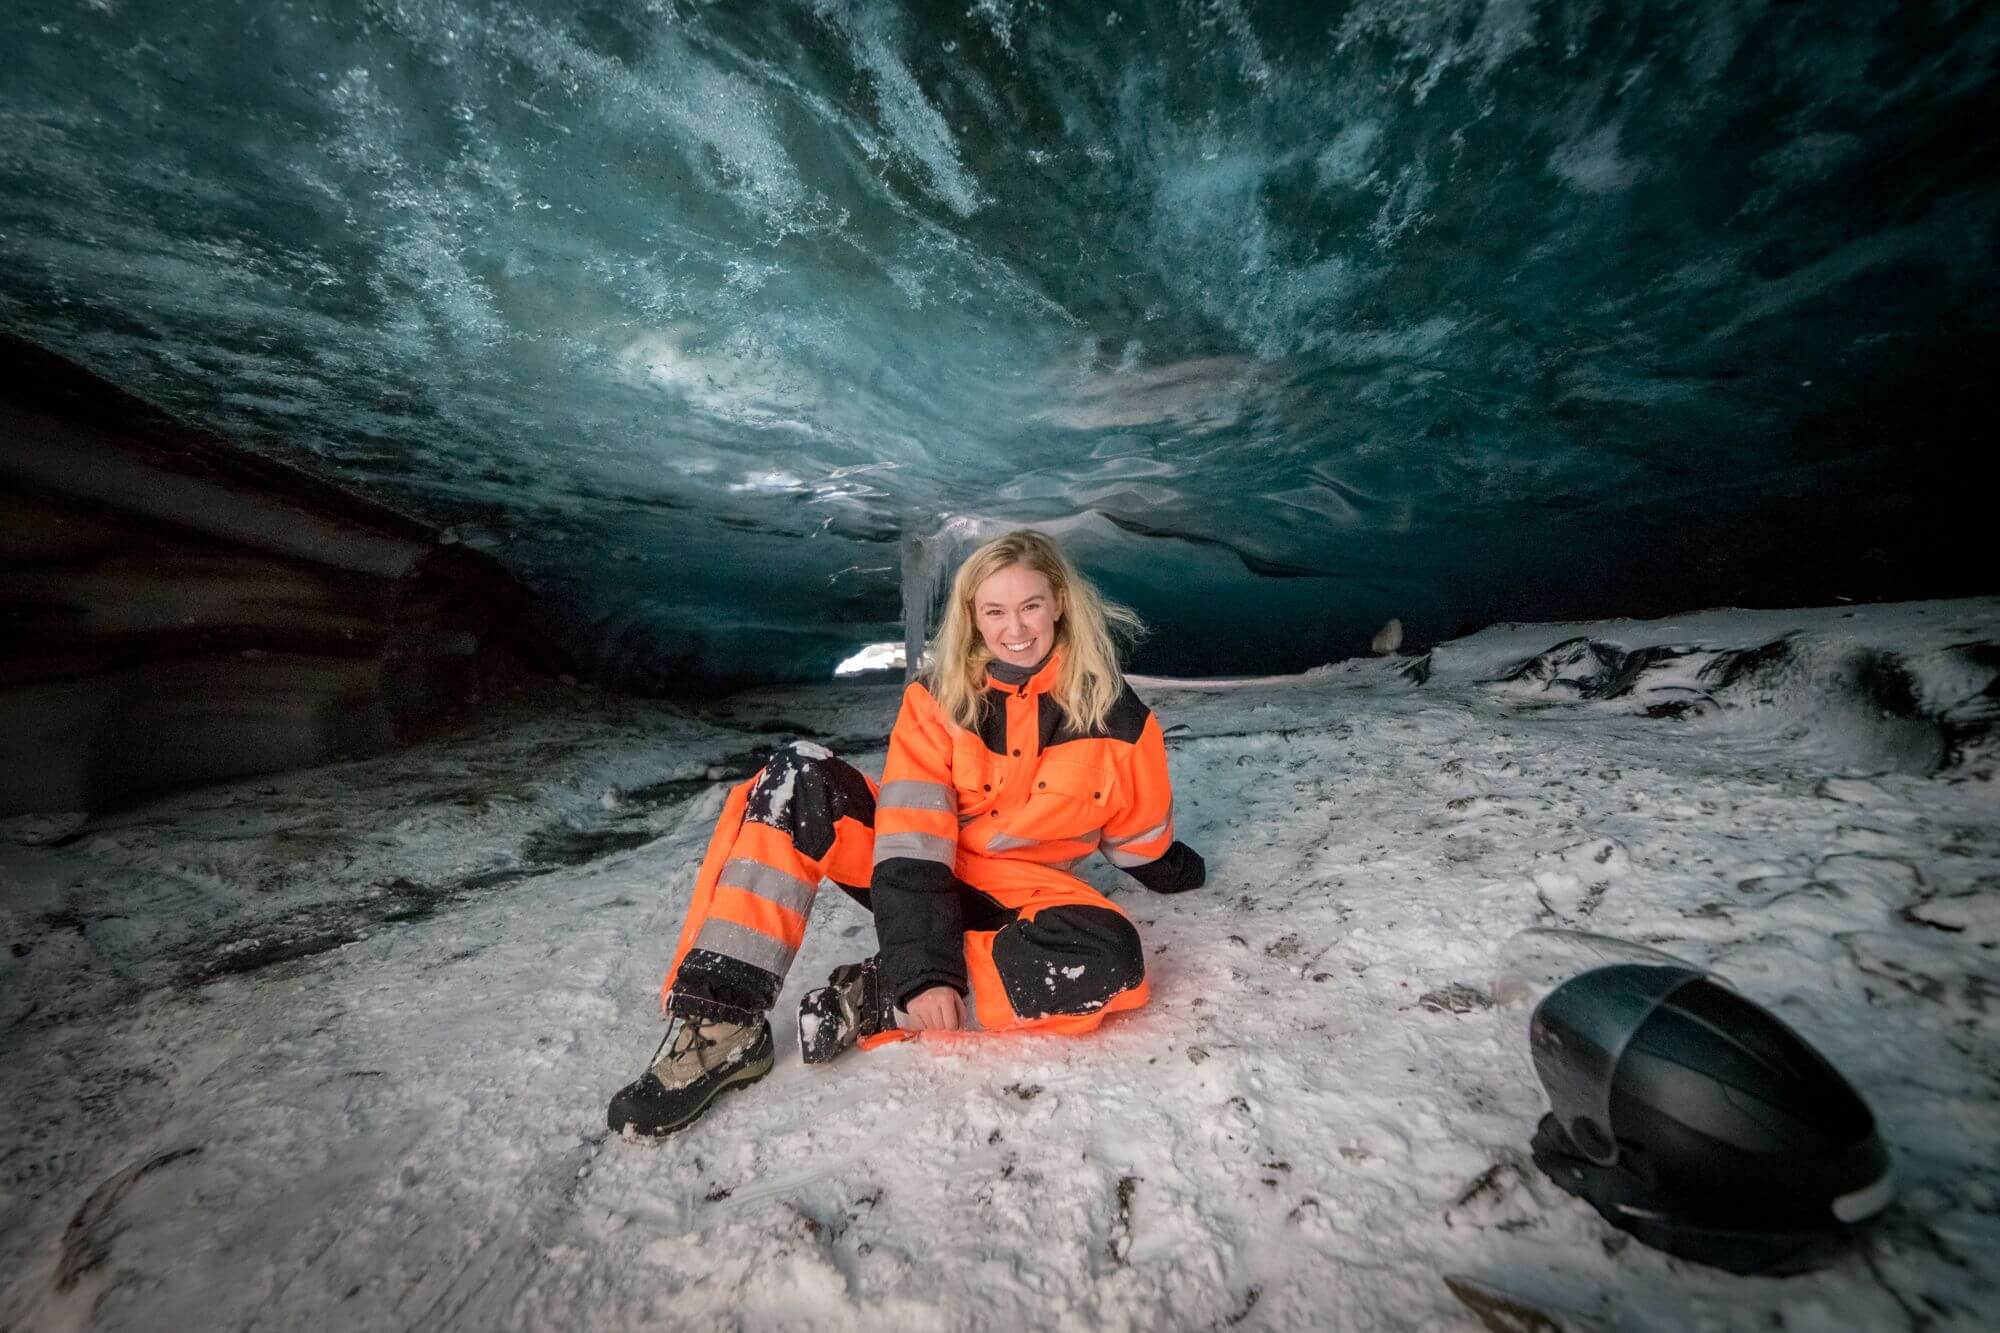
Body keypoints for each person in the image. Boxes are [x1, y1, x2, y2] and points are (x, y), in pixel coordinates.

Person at [608, 529, 1206, 1137]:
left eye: (1029, 606)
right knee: (796, 776)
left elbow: (1139, 835)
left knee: (1112, 955)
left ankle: (874, 994)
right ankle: (722, 1023)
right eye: (994, 611)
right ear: (972, 618)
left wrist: (1174, 869)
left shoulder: (1119, 717)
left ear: (1058, 602)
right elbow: (911, 837)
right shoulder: (936, 700)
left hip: (1016, 895)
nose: (1016, 628)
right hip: (914, 872)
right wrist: (929, 969)